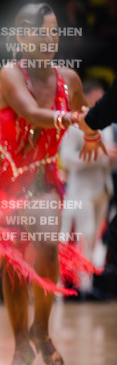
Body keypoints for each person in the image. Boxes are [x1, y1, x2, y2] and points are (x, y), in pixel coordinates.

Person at [0, 3, 102, 365]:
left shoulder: (70, 80)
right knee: (11, 266)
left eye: (53, 32)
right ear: (21, 38)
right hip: (7, 182)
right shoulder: (10, 75)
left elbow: (83, 118)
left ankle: (42, 333)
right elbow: (31, 113)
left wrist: (90, 133)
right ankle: (19, 349)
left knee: (47, 254)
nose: (48, 40)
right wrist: (77, 118)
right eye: (40, 33)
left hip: (45, 180)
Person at [58, 78, 114, 293]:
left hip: (102, 188)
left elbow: (106, 155)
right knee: (84, 235)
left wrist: (109, 157)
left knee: (94, 239)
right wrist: (98, 155)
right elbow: (68, 159)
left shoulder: (107, 125)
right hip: (81, 190)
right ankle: (80, 284)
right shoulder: (74, 126)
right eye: (98, 98)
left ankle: (88, 282)